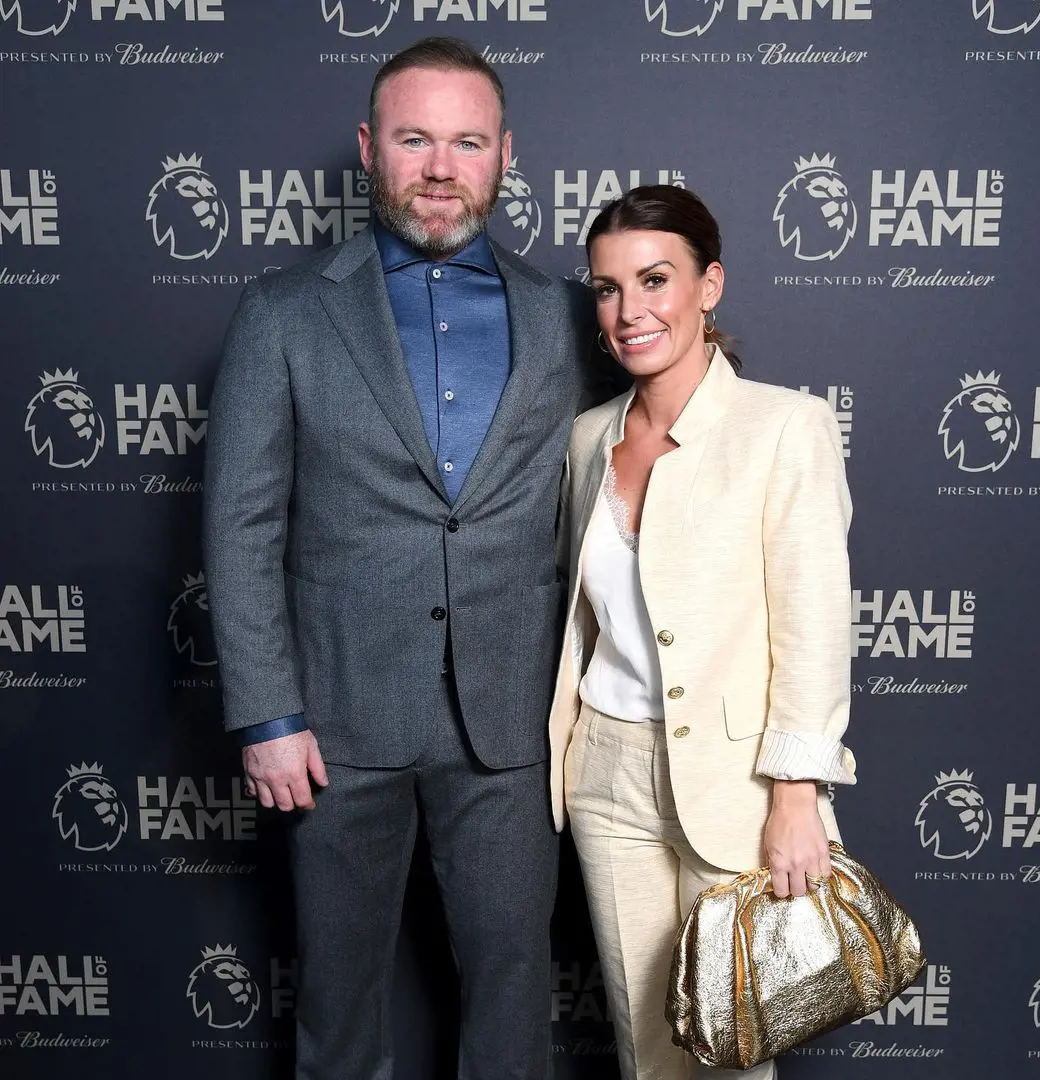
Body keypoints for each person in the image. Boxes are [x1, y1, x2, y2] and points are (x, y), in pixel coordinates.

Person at [203, 37, 616, 1080]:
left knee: (514, 990)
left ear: (506, 155)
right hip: (334, 724)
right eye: (415, 138)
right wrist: (267, 714)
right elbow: (242, 525)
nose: (441, 165)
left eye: (467, 141)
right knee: (339, 1004)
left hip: (515, 724)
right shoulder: (284, 314)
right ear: (368, 148)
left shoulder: (572, 317)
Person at [546, 185, 857, 1080]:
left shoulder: (783, 426)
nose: (629, 311)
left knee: (730, 1053)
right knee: (646, 1051)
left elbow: (813, 621)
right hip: (606, 776)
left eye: (655, 279)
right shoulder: (586, 439)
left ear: (709, 285)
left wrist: (796, 795)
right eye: (607, 289)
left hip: (738, 787)